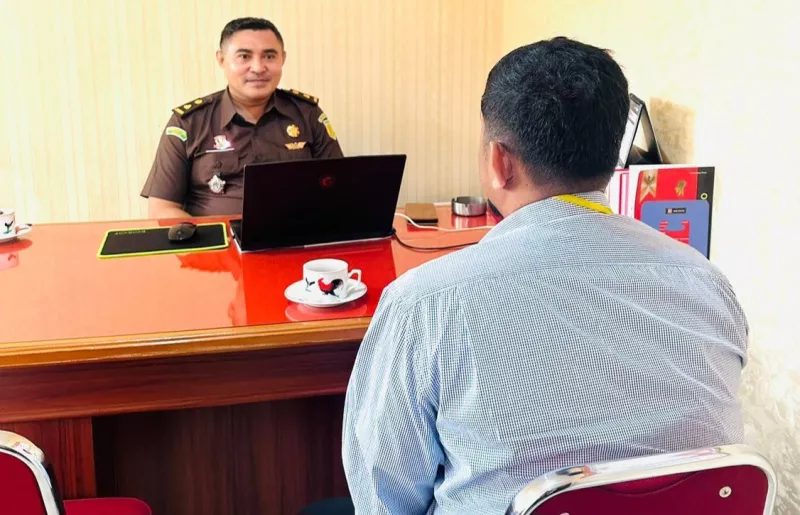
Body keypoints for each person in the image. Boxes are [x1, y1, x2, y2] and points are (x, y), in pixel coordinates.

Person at [340, 37, 748, 514]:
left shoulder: (425, 304)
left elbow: (383, 500)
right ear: (611, 157)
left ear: (499, 162)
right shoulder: (709, 283)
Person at [141, 17, 343, 219]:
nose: (258, 67)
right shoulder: (188, 124)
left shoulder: (308, 115)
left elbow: (339, 189)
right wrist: (213, 236)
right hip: (217, 238)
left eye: (269, 56)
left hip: (297, 235)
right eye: (244, 56)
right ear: (222, 59)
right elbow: (162, 209)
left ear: (283, 59)